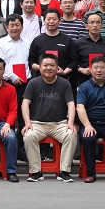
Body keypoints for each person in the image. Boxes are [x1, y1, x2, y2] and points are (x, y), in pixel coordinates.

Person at [22, 54, 78, 182]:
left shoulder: (65, 83)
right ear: (40, 67)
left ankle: (64, 171)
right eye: (45, 65)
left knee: (71, 135)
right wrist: (27, 123)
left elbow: (71, 104)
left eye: (52, 65)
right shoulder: (33, 83)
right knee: (29, 136)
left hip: (59, 124)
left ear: (57, 67)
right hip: (37, 124)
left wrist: (70, 123)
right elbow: (25, 104)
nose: (49, 68)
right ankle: (36, 171)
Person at [0, 14, 31, 161]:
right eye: (12, 25)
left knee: (23, 116)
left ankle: (21, 149)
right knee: (7, 116)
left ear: (22, 27)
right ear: (7, 27)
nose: (15, 28)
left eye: (17, 25)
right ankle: (7, 150)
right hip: (7, 84)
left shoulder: (27, 43)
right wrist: (12, 76)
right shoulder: (0, 43)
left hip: (25, 84)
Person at [28, 8, 78, 90]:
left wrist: (64, 72)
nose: (51, 22)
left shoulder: (67, 40)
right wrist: (43, 68)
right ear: (44, 21)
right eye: (48, 19)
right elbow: (31, 61)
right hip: (41, 82)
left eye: (54, 19)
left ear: (59, 21)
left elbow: (74, 61)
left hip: (62, 81)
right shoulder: (37, 40)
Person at [75, 12, 105, 85]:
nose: (95, 25)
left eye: (98, 22)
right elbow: (73, 63)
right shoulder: (78, 43)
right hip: (84, 81)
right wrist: (81, 69)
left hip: (104, 82)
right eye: (92, 22)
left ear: (102, 25)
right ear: (86, 26)